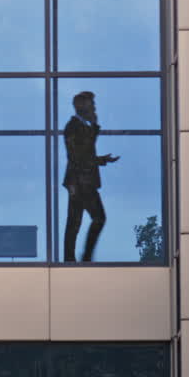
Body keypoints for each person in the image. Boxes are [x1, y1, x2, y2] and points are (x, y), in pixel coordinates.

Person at [63, 91, 119, 262]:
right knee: (96, 218)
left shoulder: (82, 127)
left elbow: (84, 154)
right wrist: (94, 127)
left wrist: (101, 159)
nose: (94, 108)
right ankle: (81, 258)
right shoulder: (73, 127)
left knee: (75, 222)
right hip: (81, 183)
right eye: (91, 104)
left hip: (81, 182)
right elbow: (78, 156)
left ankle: (72, 259)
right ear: (82, 106)